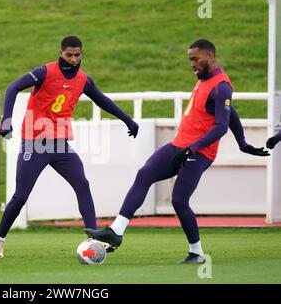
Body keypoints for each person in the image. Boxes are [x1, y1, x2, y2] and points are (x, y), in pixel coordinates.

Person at [85, 39, 269, 264]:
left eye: (195, 58)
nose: (192, 63)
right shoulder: (204, 79)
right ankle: (116, 232)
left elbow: (221, 126)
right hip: (179, 144)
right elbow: (232, 112)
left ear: (210, 57)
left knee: (179, 200)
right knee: (145, 174)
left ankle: (197, 253)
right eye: (190, 59)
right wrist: (242, 142)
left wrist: (196, 147)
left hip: (199, 152)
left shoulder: (221, 86)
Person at [0, 35, 139, 258]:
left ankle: (92, 239)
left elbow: (102, 100)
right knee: (21, 196)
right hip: (35, 143)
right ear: (61, 53)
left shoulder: (83, 80)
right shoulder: (44, 72)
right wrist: (6, 120)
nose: (73, 59)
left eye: (77, 55)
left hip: (60, 145)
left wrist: (128, 119)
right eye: (68, 55)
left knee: (82, 183)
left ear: (82, 54)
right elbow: (12, 88)